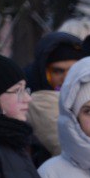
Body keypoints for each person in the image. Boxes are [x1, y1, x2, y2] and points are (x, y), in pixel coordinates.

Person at [25, 32, 82, 164]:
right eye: (58, 71)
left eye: (74, 70)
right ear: (44, 72)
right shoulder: (37, 101)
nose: (67, 78)